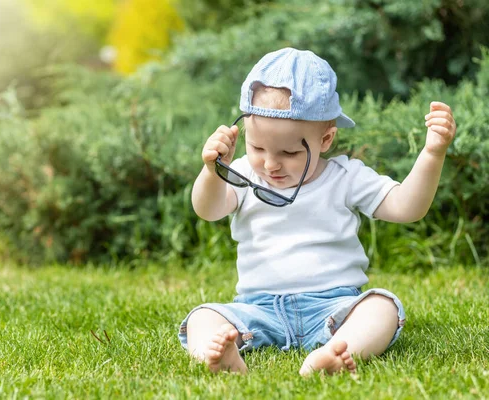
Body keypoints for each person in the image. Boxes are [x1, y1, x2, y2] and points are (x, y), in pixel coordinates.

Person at [178, 47, 457, 376]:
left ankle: (335, 352)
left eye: (289, 152)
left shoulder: (346, 177)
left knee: (383, 307)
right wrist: (212, 171)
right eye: (257, 148)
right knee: (202, 318)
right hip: (257, 307)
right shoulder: (243, 175)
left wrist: (432, 154)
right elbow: (208, 209)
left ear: (325, 138)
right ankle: (222, 356)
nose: (270, 163)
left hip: (334, 306)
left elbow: (406, 206)